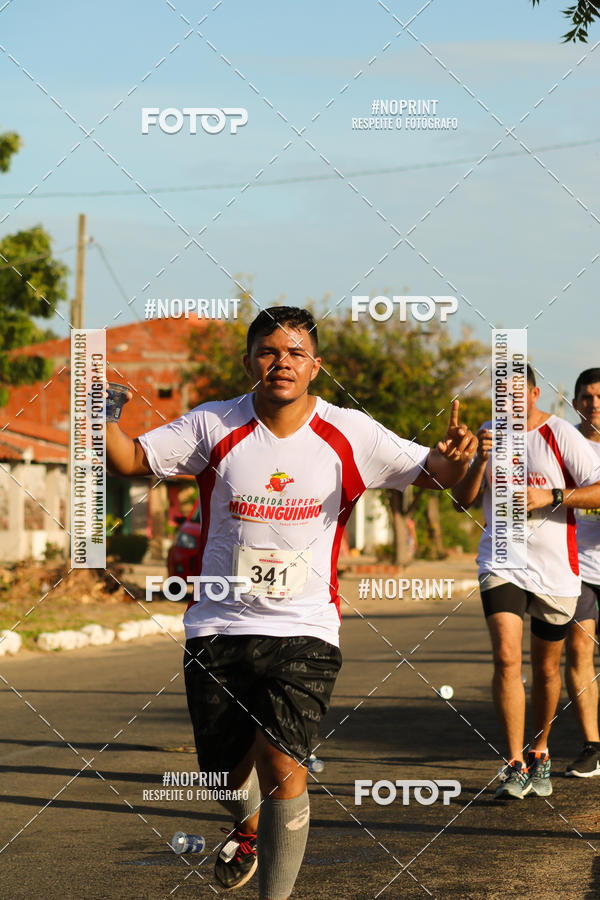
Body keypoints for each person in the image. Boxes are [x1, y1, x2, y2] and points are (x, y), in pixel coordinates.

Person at [107, 306, 477, 899]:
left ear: (315, 366)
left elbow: (441, 477)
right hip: (218, 624)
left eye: (295, 353)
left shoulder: (351, 433)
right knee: (223, 776)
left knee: (284, 762)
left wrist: (464, 461)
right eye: (268, 351)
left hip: (306, 626)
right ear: (249, 360)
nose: (282, 363)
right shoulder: (213, 425)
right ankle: (245, 829)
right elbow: (127, 461)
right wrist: (102, 415)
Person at [452, 365, 600, 800]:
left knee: (547, 667)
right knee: (505, 657)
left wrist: (552, 496)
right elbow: (462, 500)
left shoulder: (561, 435)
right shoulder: (487, 433)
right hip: (502, 560)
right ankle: (514, 761)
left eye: (517, 393)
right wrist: (479, 459)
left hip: (556, 568)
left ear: (534, 393)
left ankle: (540, 751)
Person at [565, 368, 600, 777]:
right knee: (578, 652)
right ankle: (592, 745)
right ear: (575, 403)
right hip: (578, 568)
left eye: (599, 396)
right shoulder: (564, 441)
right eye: (586, 397)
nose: (593, 403)